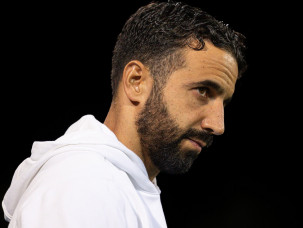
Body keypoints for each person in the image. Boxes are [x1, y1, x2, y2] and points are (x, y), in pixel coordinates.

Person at [2, 1, 247, 227]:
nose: (218, 125)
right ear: (135, 81)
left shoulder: (122, 184)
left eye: (223, 103)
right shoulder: (82, 186)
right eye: (203, 91)